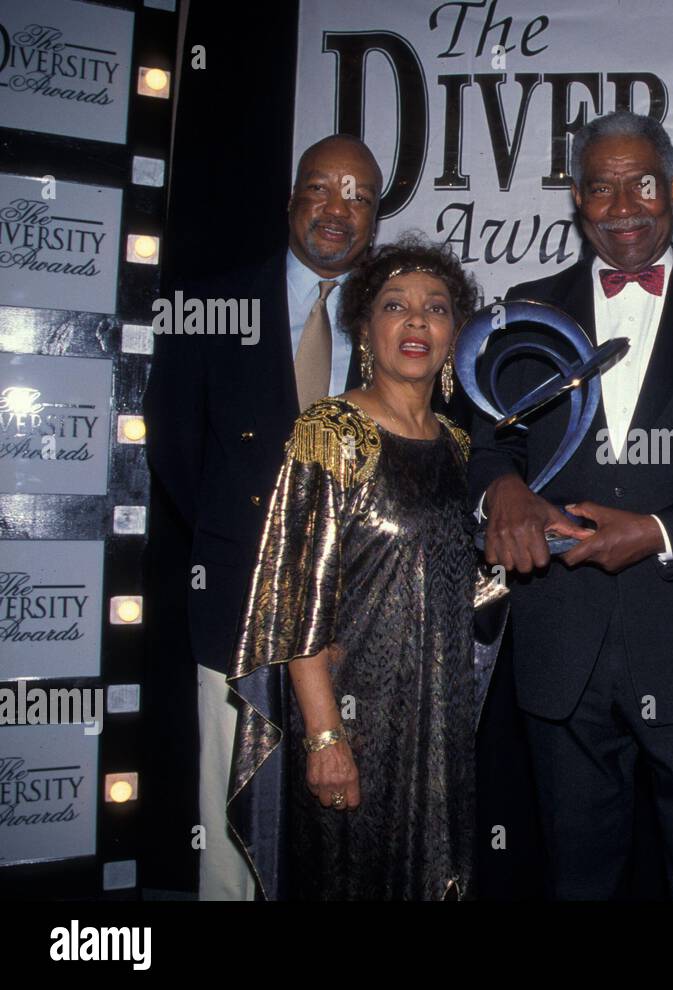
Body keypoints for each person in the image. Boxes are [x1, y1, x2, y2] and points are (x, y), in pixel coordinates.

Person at [467, 110, 673, 900]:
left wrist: (656, 532)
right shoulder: (524, 309)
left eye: (642, 183)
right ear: (577, 198)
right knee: (577, 883)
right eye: (602, 188)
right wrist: (502, 489)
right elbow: (488, 443)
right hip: (561, 653)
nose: (623, 207)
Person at [143, 134, 382, 900]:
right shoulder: (212, 308)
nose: (337, 209)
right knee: (231, 830)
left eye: (358, 196)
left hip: (356, 628)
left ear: (375, 218)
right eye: (321, 188)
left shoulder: (396, 320)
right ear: (291, 200)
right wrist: (249, 549)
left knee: (340, 826)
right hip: (234, 607)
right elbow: (179, 457)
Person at [226, 234, 483, 899]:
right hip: (356, 726)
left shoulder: (459, 447)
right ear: (365, 329)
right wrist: (323, 738)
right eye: (395, 305)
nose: (418, 320)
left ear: (456, 333)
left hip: (441, 724)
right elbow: (293, 598)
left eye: (437, 307)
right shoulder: (331, 431)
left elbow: (465, 587)